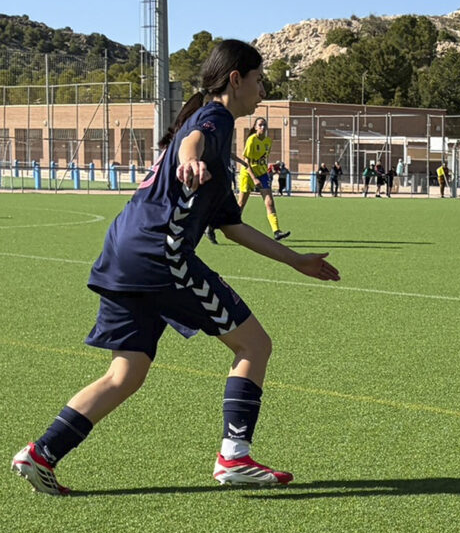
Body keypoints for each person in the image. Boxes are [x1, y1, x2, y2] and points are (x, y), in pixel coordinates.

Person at [10, 39, 341, 496]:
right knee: (254, 345)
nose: (263, 90)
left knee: (125, 374)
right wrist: (189, 162)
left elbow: (232, 227)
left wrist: (295, 260)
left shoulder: (213, 136)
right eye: (259, 79)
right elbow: (193, 141)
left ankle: (41, 453)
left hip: (122, 252)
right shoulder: (215, 118)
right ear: (235, 79)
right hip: (159, 256)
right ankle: (234, 456)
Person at [237, 117, 290, 240]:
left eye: (265, 125)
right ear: (255, 127)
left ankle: (276, 231)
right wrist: (254, 178)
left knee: (269, 202)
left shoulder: (268, 141)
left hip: (262, 174)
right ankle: (219, 226)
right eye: (260, 125)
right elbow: (246, 162)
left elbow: (263, 159)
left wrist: (265, 173)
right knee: (241, 204)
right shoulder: (251, 140)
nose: (263, 127)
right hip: (248, 173)